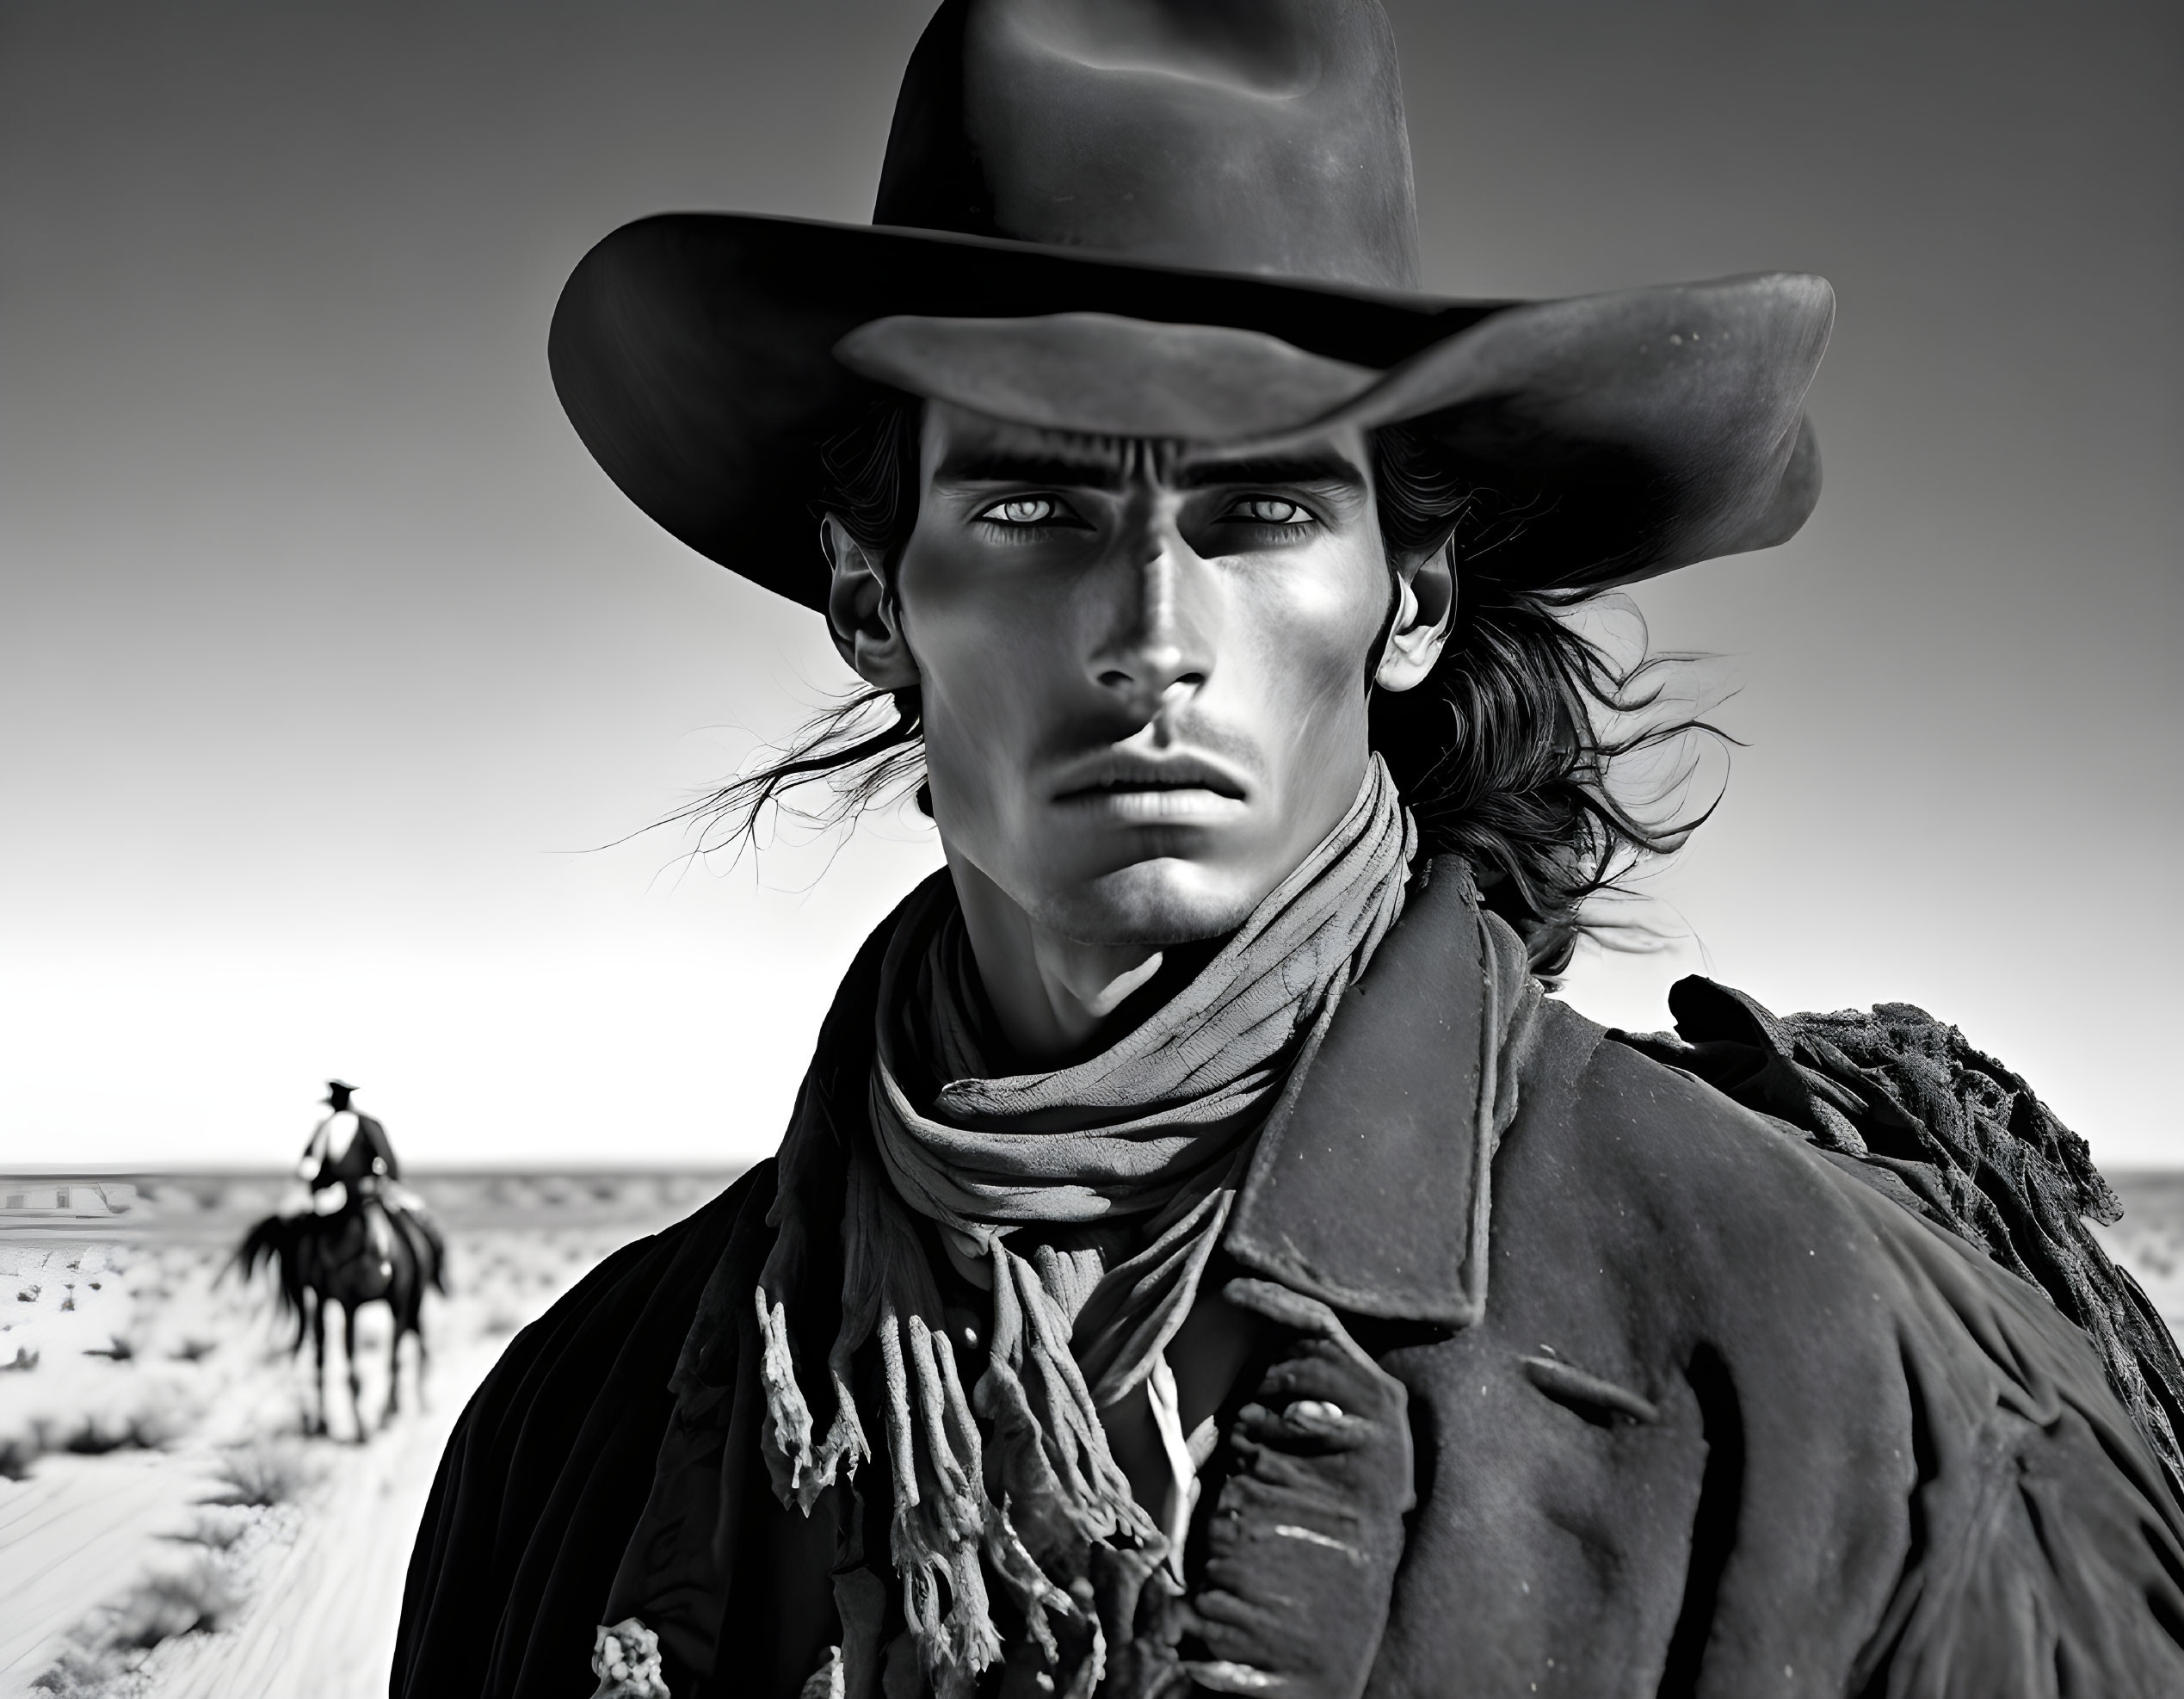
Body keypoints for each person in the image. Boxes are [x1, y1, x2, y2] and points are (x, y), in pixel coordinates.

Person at [393, 4, 2184, 1696]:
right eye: (1029, 506)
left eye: (1260, 509)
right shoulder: (585, 1420)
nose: (1152, 630)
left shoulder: (1796, 1367)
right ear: (875, 601)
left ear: (1410, 598)